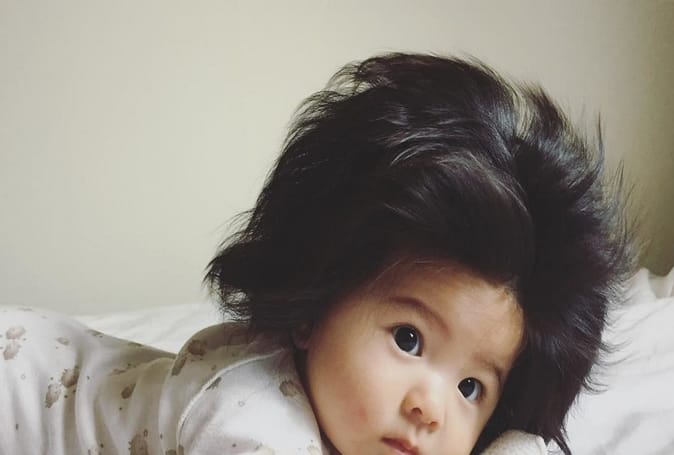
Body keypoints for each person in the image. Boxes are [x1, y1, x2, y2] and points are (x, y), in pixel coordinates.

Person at [0, 53, 634, 455]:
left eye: (472, 387)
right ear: (314, 304)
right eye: (409, 339)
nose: (429, 407)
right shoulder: (246, 418)